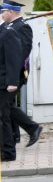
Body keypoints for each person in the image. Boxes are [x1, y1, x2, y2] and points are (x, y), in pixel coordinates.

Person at [1, 0, 42, 147]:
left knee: (5, 106)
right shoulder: (9, 26)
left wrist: (12, 78)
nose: (1, 14)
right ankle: (15, 135)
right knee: (7, 105)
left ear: (11, 12)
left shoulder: (22, 27)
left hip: (15, 74)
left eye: (3, 11)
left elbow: (22, 53)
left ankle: (32, 128)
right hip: (8, 74)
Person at [0, 12, 23, 162]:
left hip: (4, 83)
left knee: (4, 118)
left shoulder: (8, 33)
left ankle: (8, 152)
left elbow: (14, 59)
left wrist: (13, 82)